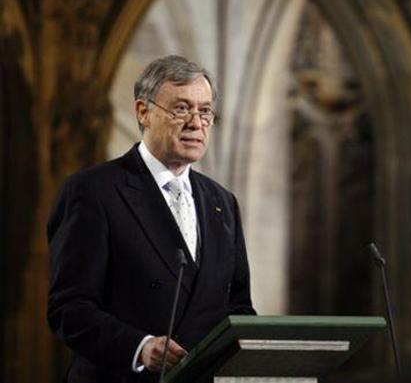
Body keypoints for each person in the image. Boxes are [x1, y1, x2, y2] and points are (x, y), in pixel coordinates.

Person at [47, 55, 256, 383]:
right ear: (143, 112)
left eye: (205, 111)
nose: (196, 123)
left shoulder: (222, 202)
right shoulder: (94, 191)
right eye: (182, 109)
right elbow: (69, 309)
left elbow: (239, 308)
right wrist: (139, 347)